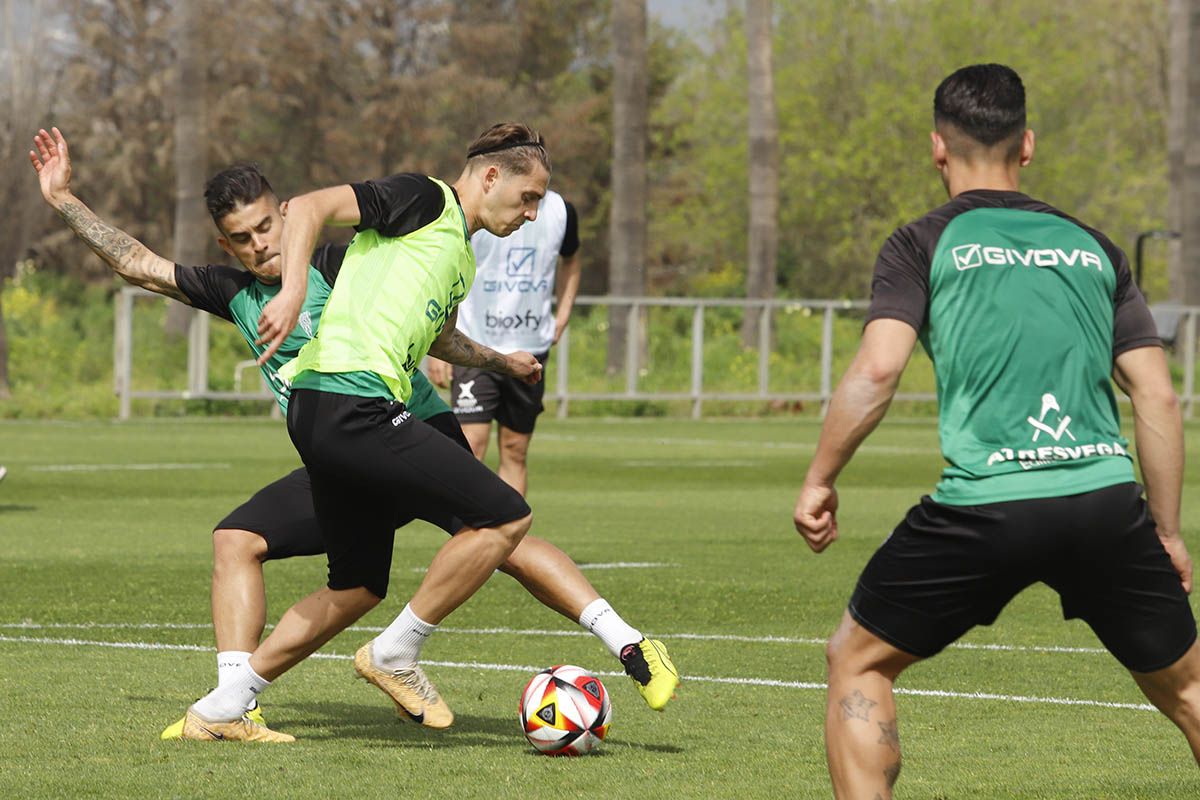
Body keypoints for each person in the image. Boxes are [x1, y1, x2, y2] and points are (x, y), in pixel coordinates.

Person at [29, 127, 677, 742]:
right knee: (271, 550)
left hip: (400, 420)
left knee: (498, 531)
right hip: (344, 431)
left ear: (285, 217)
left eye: (266, 227)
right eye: (242, 238)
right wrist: (62, 199)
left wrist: (496, 360)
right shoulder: (235, 292)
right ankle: (235, 701)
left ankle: (624, 639)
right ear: (227, 247)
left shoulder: (345, 262)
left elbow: (429, 324)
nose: (259, 244)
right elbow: (138, 264)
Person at [792, 64, 1200, 798]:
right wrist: (1166, 532)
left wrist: (821, 478)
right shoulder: (1096, 248)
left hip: (987, 503)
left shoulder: (921, 243)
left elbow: (877, 371)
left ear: (937, 150)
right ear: (1028, 145)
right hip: (1102, 498)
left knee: (859, 660)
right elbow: (1158, 400)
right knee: (1189, 689)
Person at [426, 188, 581, 495]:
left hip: (530, 346)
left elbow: (572, 261)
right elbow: (443, 274)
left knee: (515, 449)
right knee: (471, 444)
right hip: (475, 345)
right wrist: (438, 348)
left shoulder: (562, 211)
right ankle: (469, 535)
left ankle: (506, 539)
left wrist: (562, 315)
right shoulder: (474, 208)